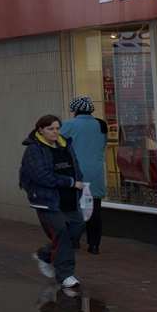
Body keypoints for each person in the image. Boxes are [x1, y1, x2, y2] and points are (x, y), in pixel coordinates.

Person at [18, 113, 86, 291]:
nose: (55, 132)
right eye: (50, 129)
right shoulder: (34, 150)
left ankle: (45, 254)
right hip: (47, 200)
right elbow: (41, 176)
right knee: (61, 232)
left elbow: (75, 167)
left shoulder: (65, 145)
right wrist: (70, 182)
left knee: (76, 228)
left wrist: (78, 181)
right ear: (40, 130)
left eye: (57, 128)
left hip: (70, 198)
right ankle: (65, 275)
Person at [62, 96, 110, 254]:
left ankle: (74, 241)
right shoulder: (101, 125)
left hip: (76, 172)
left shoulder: (69, 125)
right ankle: (94, 245)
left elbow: (59, 145)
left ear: (75, 111)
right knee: (94, 210)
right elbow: (103, 145)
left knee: (74, 208)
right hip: (96, 172)